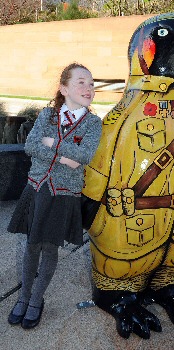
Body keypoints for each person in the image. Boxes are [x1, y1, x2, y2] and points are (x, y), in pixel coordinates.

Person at [7, 62, 102, 329]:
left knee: (48, 248)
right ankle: (23, 297)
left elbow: (84, 157)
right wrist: (64, 155)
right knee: (30, 246)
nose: (88, 88)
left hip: (63, 195)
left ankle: (37, 300)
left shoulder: (93, 123)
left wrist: (53, 143)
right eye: (81, 82)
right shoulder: (47, 115)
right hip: (37, 188)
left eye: (91, 84)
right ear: (64, 88)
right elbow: (30, 145)